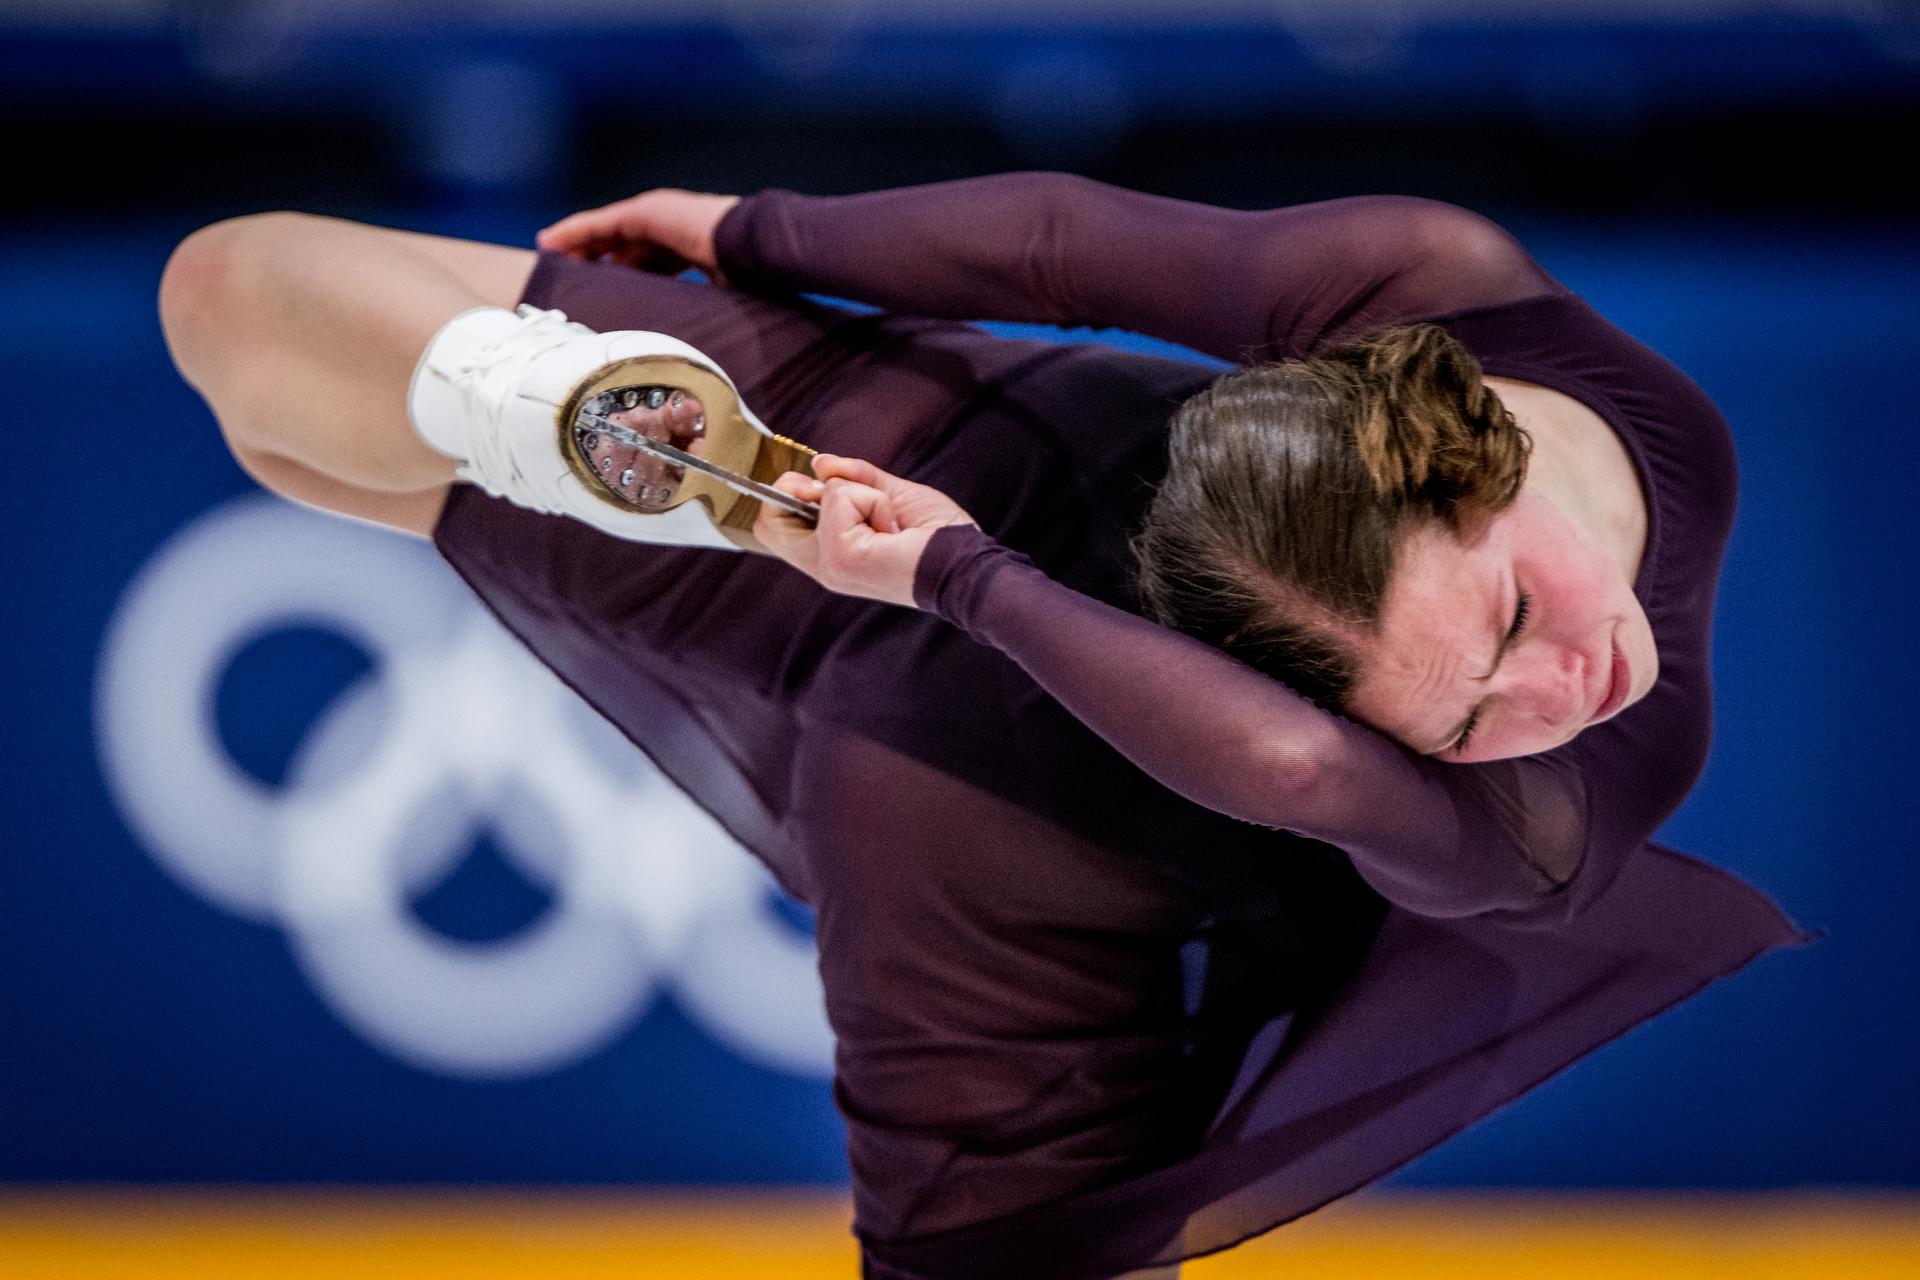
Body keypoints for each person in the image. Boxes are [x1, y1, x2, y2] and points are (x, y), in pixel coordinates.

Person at [158, 173, 1813, 1280]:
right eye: (1505, 629)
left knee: (308, 404)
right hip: (935, 475)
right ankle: (544, 421)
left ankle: (531, 428)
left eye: (1462, 706)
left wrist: (948, 574)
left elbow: (1301, 766)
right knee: (257, 350)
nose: (1556, 688)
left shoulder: (1535, 816)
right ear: (1427, 423)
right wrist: (750, 226)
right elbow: (1052, 249)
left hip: (1022, 818)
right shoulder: (1419, 283)